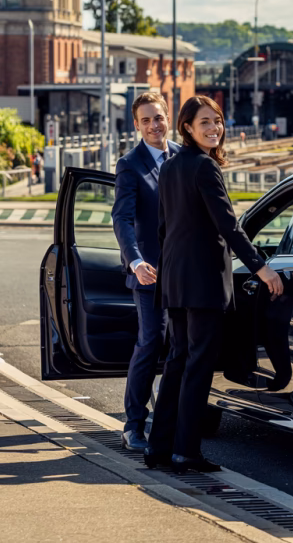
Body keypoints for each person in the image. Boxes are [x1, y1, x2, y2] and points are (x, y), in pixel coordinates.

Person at [145, 95, 283, 473]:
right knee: (198, 365)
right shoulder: (205, 168)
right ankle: (185, 451)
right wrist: (261, 269)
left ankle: (159, 447)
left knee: (177, 362)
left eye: (218, 121)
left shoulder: (171, 166)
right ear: (187, 127)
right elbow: (228, 226)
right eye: (205, 122)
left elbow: (162, 227)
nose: (214, 128)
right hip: (203, 281)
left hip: (174, 278)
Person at [111, 92, 182, 453]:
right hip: (149, 274)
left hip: (184, 272)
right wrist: (136, 261)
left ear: (168, 117)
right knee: (150, 342)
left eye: (159, 117)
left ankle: (170, 420)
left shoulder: (185, 157)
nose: (154, 125)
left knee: (181, 346)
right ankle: (133, 424)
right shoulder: (130, 164)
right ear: (137, 125)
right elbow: (121, 218)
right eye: (146, 120)